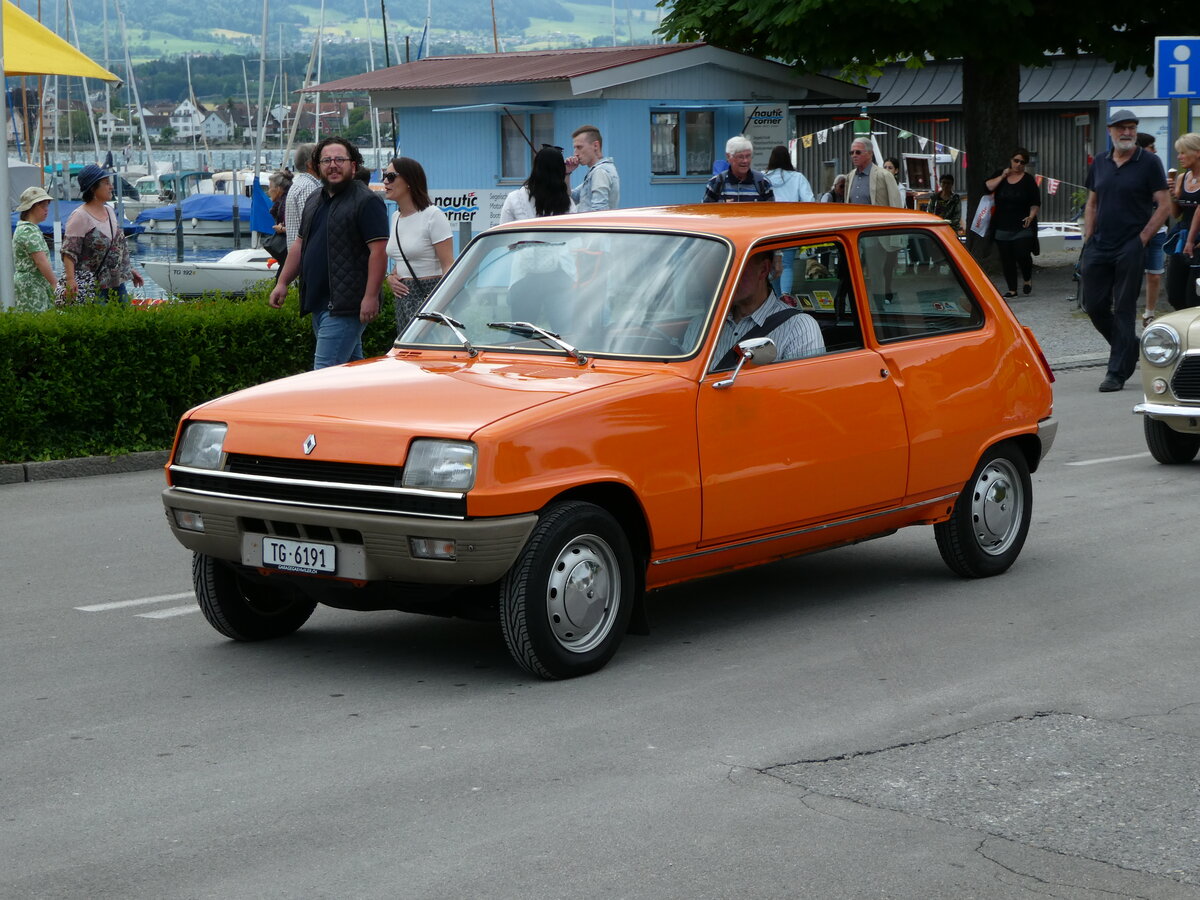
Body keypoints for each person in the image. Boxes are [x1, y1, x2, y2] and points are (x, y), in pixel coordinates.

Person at [269, 136, 389, 370]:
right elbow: (299, 245)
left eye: (339, 159)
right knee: (351, 374)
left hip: (346, 306)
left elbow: (379, 252)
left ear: (353, 166)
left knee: (323, 375)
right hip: (319, 303)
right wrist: (282, 282)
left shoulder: (366, 201)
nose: (333, 165)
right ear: (318, 166)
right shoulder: (314, 199)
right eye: (326, 160)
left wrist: (371, 296)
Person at [1080, 109, 1170, 393]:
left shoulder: (1149, 162)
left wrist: (1142, 239)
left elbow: (1164, 205)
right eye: (1121, 128)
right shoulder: (1101, 162)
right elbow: (1092, 202)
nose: (1127, 133)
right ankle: (1129, 346)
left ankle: (1116, 372)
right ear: (1110, 131)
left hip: (1130, 245)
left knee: (1124, 307)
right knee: (1092, 305)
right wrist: (1088, 236)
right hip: (1099, 244)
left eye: (1131, 128)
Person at [708, 251, 824, 369]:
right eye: (721, 269)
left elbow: (804, 384)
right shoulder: (705, 323)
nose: (724, 278)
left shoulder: (799, 327)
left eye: (734, 268)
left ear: (763, 269)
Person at [382, 156, 455, 334]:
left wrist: (444, 302)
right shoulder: (395, 217)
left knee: (432, 356)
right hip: (403, 298)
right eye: (384, 175)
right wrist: (391, 278)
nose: (385, 181)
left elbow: (448, 264)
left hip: (429, 295)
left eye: (391, 176)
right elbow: (403, 259)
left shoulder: (433, 215)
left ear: (409, 181)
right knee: (408, 356)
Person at [60, 164, 143, 303]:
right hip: (92, 286)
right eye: (106, 183)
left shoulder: (109, 211)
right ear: (93, 188)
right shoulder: (80, 216)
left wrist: (129, 271)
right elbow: (69, 252)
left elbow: (117, 246)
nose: (111, 187)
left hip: (116, 283)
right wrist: (70, 280)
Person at [984, 147, 1042, 297]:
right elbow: (987, 187)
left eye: (1022, 162)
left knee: (1022, 253)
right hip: (1002, 224)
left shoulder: (1028, 180)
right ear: (1011, 160)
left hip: (1023, 224)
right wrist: (1002, 176)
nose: (1018, 164)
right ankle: (1012, 289)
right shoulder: (1001, 175)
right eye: (1016, 161)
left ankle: (1027, 278)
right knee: (1006, 258)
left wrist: (1031, 216)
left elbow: (1035, 202)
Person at [762, 144, 812, 296]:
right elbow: (809, 201)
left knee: (773, 265)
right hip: (790, 226)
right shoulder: (798, 178)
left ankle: (778, 298)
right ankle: (785, 296)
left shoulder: (763, 177)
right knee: (787, 264)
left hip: (767, 227)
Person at [1136, 132, 1169, 324]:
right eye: (1151, 147)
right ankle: (1124, 308)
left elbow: (1164, 203)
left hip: (1158, 232)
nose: (1155, 151)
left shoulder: (1155, 167)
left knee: (1155, 274)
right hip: (1135, 233)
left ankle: (1149, 312)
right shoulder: (1129, 171)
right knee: (1129, 273)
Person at [500, 146, 577, 223]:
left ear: (535, 168)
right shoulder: (567, 203)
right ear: (561, 172)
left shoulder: (514, 198)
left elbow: (502, 231)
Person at [11, 186, 57, 311]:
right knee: (38, 321)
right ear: (32, 207)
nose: (46, 210)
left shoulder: (25, 228)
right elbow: (40, 260)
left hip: (31, 284)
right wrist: (54, 284)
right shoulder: (28, 230)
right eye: (43, 206)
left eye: (47, 206)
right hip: (32, 285)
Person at [1172, 132, 1200, 310]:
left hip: (1197, 241)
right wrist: (1171, 195)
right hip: (1182, 236)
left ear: (1197, 152)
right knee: (1175, 294)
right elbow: (1176, 214)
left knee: (1194, 296)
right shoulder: (1182, 178)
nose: (1179, 156)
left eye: (1183, 152)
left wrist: (1192, 240)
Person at [703, 135, 775, 202]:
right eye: (740, 157)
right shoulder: (716, 183)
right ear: (728, 157)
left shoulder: (763, 183)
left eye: (748, 156)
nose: (745, 161)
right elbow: (706, 212)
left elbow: (772, 213)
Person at [565, 125, 620, 211]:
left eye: (579, 147)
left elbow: (599, 210)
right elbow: (572, 197)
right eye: (574, 148)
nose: (575, 153)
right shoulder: (596, 171)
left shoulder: (600, 172)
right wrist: (567, 173)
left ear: (595, 146)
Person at [845, 138, 902, 207]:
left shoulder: (884, 176)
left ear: (870, 153)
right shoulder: (850, 176)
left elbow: (895, 204)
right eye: (851, 153)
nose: (854, 155)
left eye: (858, 152)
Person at [284, 143, 320, 250]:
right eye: (321, 159)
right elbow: (312, 225)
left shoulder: (300, 184)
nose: (324, 163)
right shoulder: (309, 187)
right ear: (310, 164)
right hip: (307, 254)